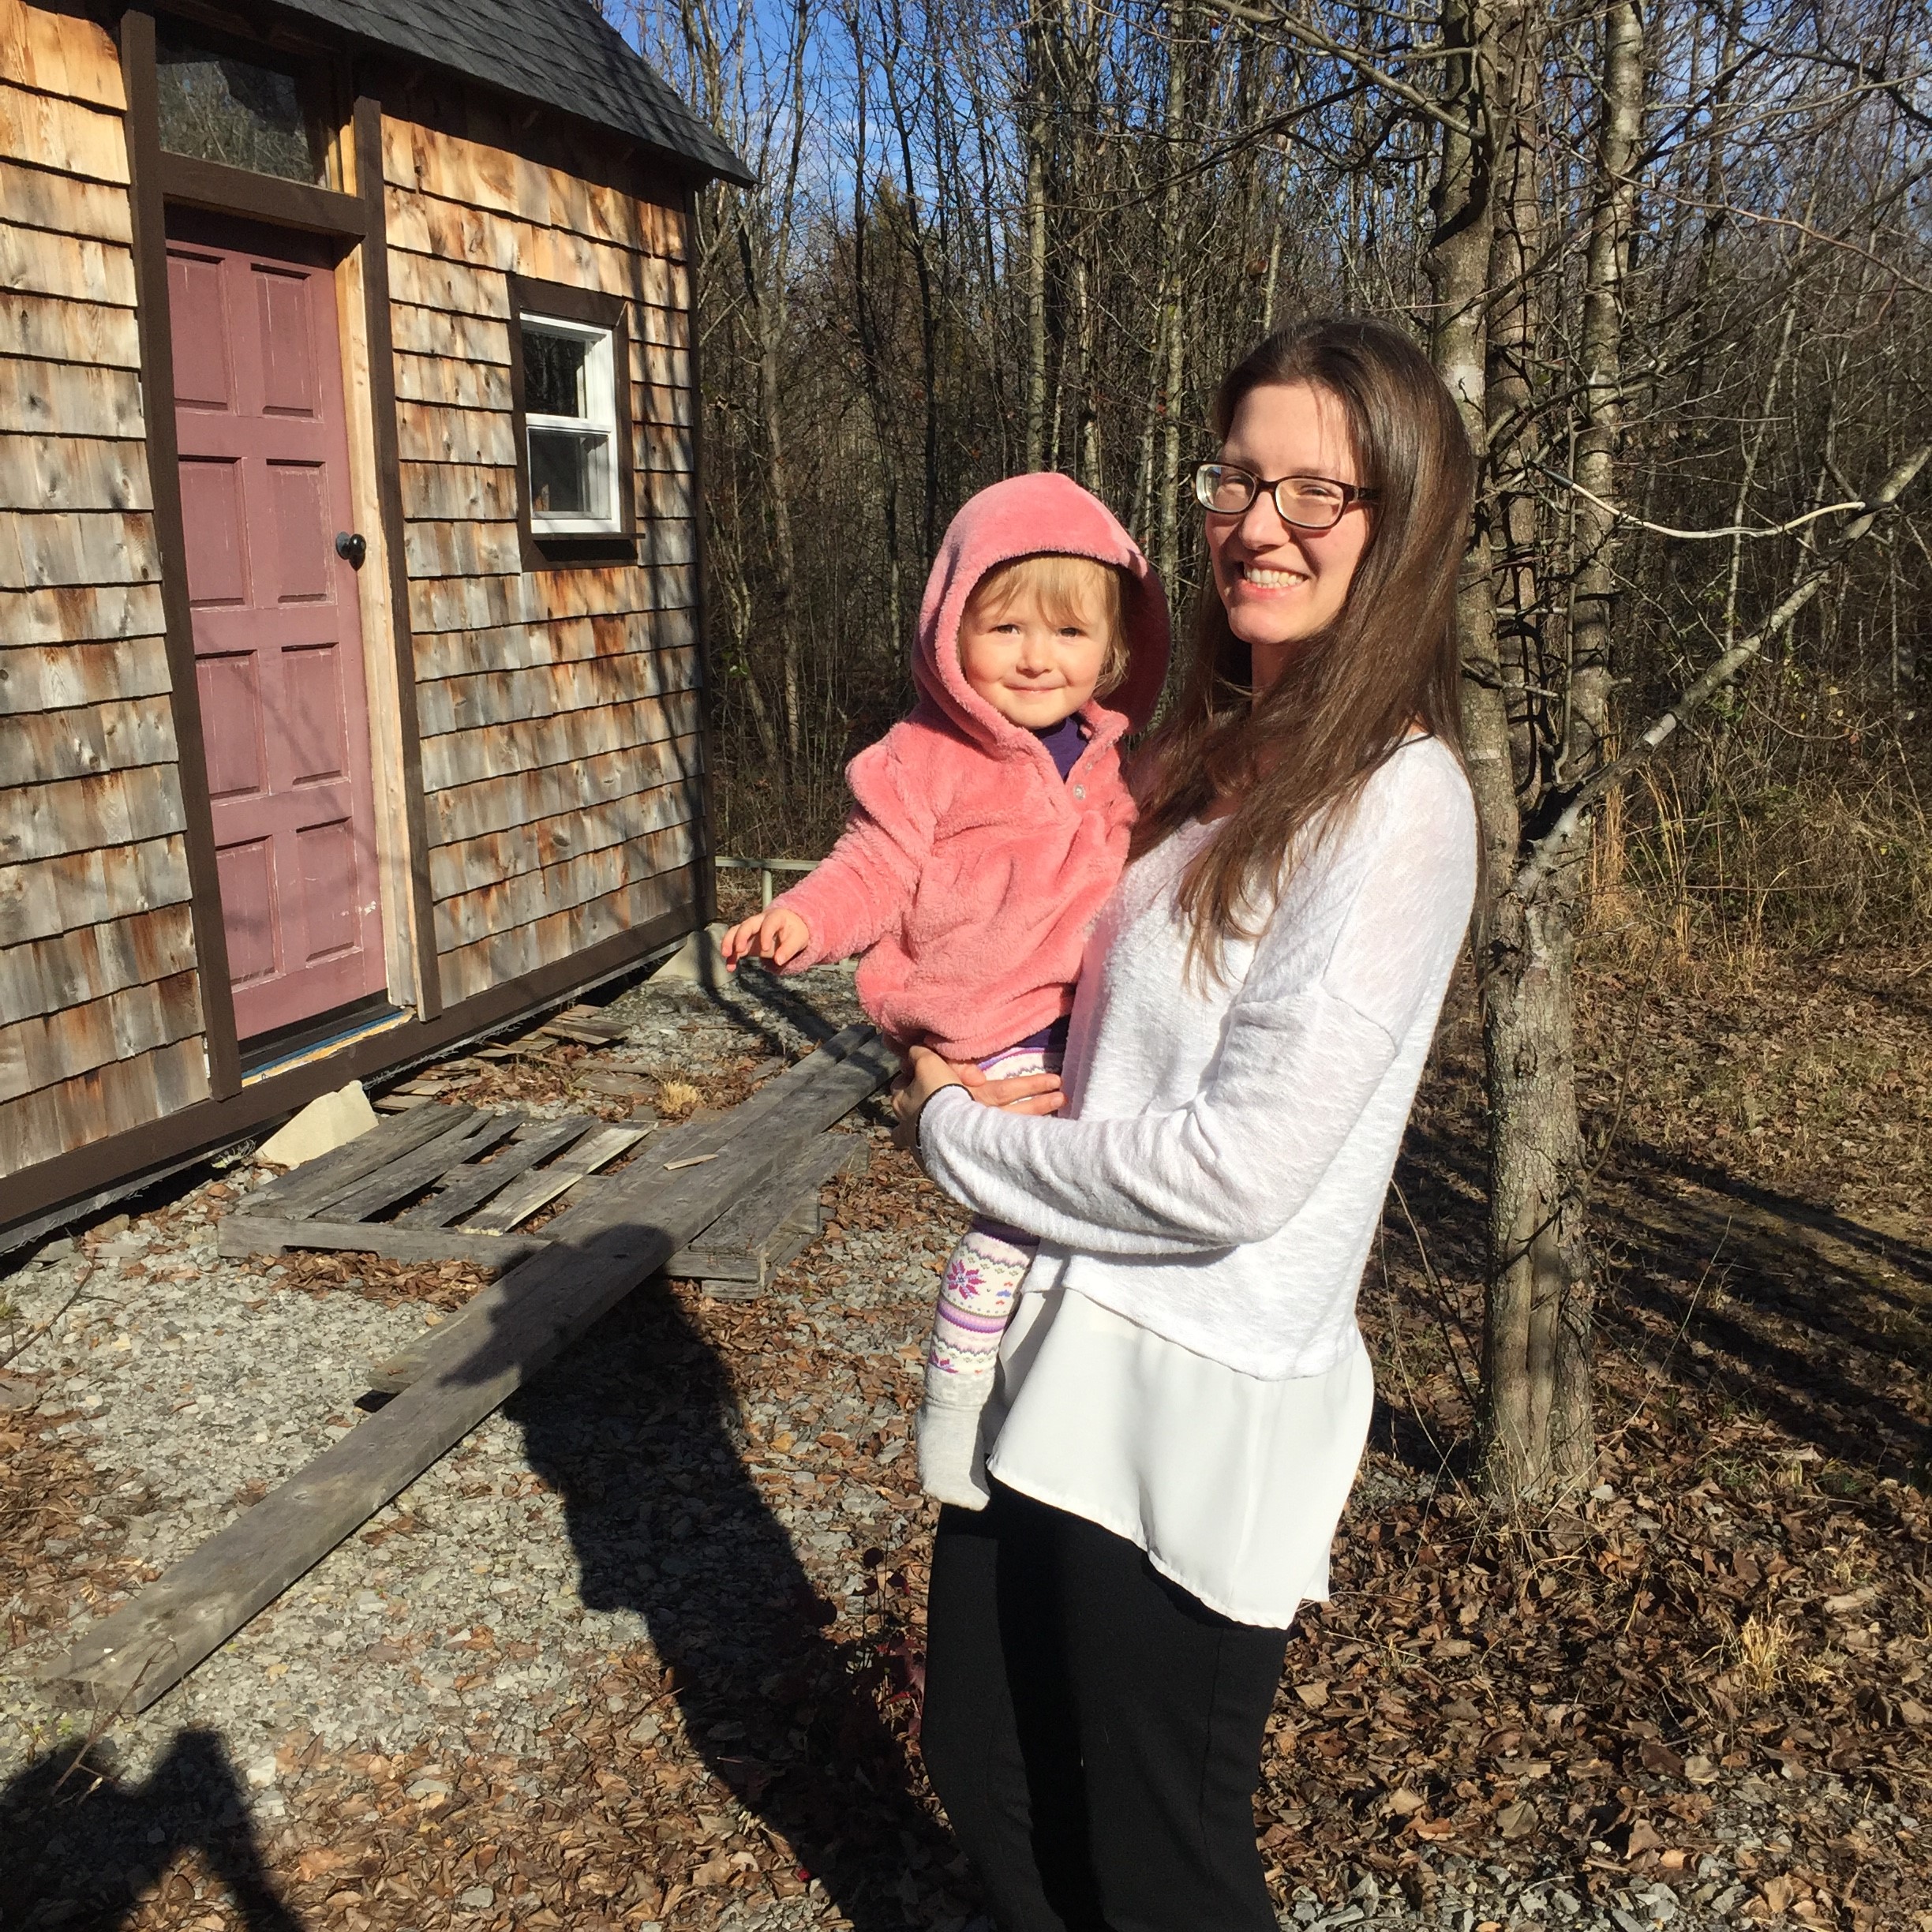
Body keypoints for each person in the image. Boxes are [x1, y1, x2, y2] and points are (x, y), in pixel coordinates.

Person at [889, 316, 1480, 1932]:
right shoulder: (1189, 756)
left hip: (1198, 1393)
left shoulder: (1398, 806)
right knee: (989, 1765)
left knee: (1161, 1858)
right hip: (1056, 1345)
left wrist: (956, 1137)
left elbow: (1234, 1173)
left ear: (1402, 523)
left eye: (1318, 490)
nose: (1259, 522)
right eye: (1236, 477)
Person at [721, 473, 1170, 1509]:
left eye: (1067, 631)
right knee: (1011, 1229)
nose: (1034, 655)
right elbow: (869, 870)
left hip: (1097, 1023)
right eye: (1002, 625)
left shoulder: (1117, 759)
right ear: (945, 631)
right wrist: (803, 923)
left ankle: (1062, 1413)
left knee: (1099, 1228)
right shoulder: (924, 760)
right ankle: (954, 1404)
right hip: (994, 1031)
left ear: (1113, 648)